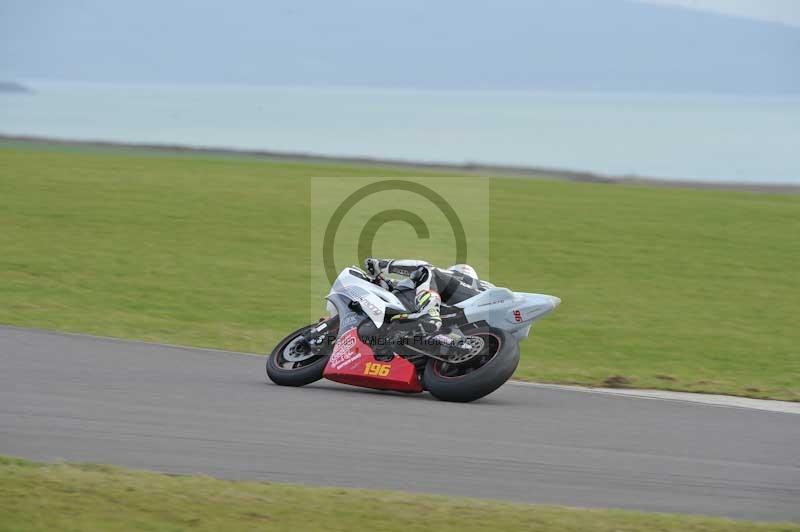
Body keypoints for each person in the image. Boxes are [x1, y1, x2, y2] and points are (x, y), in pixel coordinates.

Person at [363, 258, 482, 345]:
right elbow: (398, 287)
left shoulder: (465, 282)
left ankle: (429, 313)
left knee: (426, 270)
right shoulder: (427, 287)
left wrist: (382, 265)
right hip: (455, 322)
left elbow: (423, 269)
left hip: (475, 302)